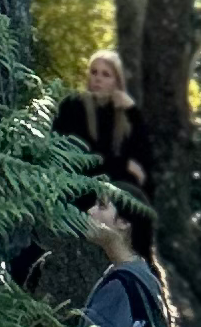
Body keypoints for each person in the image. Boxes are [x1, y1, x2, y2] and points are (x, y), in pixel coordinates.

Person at [53, 47, 161, 255]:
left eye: (105, 74)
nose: (98, 79)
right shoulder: (73, 106)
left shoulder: (123, 116)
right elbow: (79, 157)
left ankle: (143, 259)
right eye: (94, 72)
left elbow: (144, 162)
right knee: (126, 193)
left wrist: (133, 112)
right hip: (78, 186)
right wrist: (121, 164)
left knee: (137, 196)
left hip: (113, 188)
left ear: (117, 82)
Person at [79, 193, 178, 327]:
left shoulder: (122, 284)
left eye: (102, 206)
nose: (90, 211)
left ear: (124, 222)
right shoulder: (144, 275)